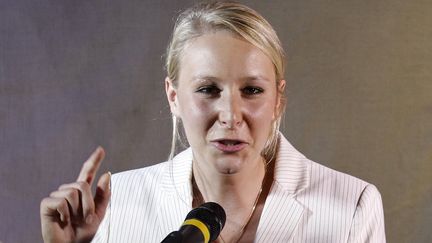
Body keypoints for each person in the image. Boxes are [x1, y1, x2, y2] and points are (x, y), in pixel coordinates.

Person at [40, 1, 386, 242]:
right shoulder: (114, 208)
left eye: (251, 90)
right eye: (208, 89)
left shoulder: (352, 206)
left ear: (278, 99)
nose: (231, 115)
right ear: (173, 96)